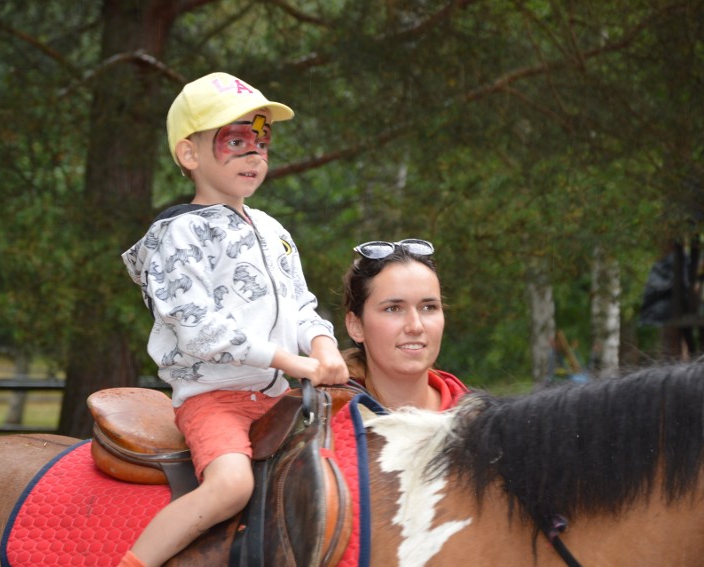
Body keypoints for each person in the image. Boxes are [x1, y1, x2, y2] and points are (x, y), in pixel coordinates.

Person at [118, 72, 348, 567]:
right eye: (236, 141)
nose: (255, 154)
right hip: (214, 398)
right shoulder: (179, 234)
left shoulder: (271, 229)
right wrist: (292, 361)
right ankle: (135, 562)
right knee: (231, 485)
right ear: (189, 154)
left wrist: (323, 347)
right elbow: (200, 328)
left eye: (262, 141)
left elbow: (300, 303)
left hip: (273, 397)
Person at [342, 239, 468, 411]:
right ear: (356, 325)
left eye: (428, 307)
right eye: (393, 309)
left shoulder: (479, 421)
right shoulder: (320, 423)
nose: (416, 326)